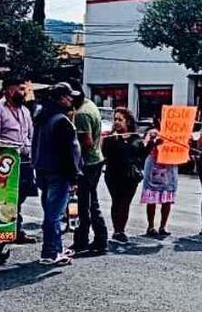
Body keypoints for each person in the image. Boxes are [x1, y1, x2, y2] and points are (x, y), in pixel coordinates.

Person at [31, 83, 82, 265]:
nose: (71, 99)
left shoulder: (42, 117)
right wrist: (74, 176)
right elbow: (69, 152)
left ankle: (56, 247)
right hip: (59, 172)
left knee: (50, 211)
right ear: (61, 98)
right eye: (69, 96)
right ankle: (50, 252)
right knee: (54, 214)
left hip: (42, 169)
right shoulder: (62, 121)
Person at [0, 77, 36, 244]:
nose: (24, 93)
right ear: (10, 90)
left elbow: (30, 135)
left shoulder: (25, 111)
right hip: (5, 163)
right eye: (21, 89)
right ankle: (2, 230)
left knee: (20, 196)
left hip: (25, 162)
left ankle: (15, 229)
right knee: (5, 196)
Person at [71, 89, 108, 254]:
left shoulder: (82, 114)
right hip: (96, 159)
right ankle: (98, 239)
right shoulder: (90, 104)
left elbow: (86, 142)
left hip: (87, 162)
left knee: (83, 205)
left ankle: (84, 240)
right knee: (90, 201)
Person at [102, 108, 145, 243]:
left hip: (130, 177)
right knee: (116, 201)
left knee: (125, 203)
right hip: (113, 175)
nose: (117, 122)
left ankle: (121, 230)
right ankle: (117, 229)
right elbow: (105, 153)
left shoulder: (135, 138)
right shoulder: (111, 138)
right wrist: (111, 137)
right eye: (115, 119)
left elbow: (141, 156)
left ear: (128, 122)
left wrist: (152, 143)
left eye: (120, 120)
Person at [140, 129, 178, 237]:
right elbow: (144, 145)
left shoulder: (176, 131)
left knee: (168, 195)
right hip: (154, 163)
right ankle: (151, 226)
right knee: (152, 195)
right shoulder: (152, 131)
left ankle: (163, 226)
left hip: (170, 163)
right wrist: (152, 139)